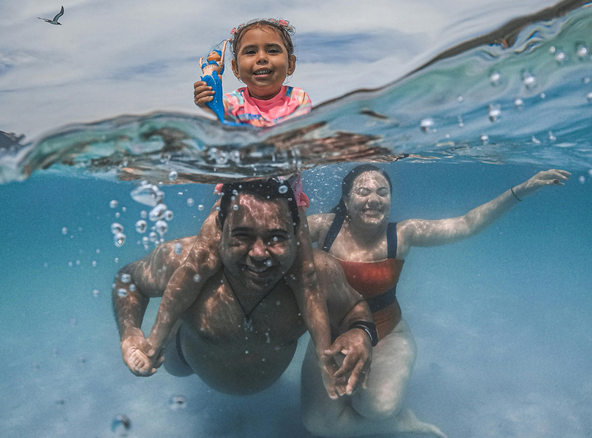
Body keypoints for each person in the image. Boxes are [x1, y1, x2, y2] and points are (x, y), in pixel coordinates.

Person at [124, 18, 341, 397]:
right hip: (235, 203)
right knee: (196, 264)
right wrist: (210, 101)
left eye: (272, 51)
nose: (261, 59)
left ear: (290, 64)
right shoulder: (232, 101)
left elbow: (284, 133)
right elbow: (220, 130)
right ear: (237, 68)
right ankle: (156, 339)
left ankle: (325, 356)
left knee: (306, 275)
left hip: (286, 206)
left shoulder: (299, 99)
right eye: (250, 52)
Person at [302, 164, 570, 437]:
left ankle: (395, 419)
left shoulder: (403, 233)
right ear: (346, 200)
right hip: (333, 337)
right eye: (363, 191)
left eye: (383, 193)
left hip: (387, 335)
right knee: (319, 424)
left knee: (376, 407)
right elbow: (280, 234)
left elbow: (467, 224)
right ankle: (391, 424)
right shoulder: (326, 227)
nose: (374, 199)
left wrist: (522, 191)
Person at [114, 179, 374, 400]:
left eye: (276, 237)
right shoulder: (178, 261)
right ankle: (174, 327)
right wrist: (129, 333)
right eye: (242, 236)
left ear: (296, 235)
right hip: (181, 359)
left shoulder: (318, 274)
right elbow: (128, 279)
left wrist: (361, 333)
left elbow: (356, 308)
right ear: (220, 231)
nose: (259, 253)